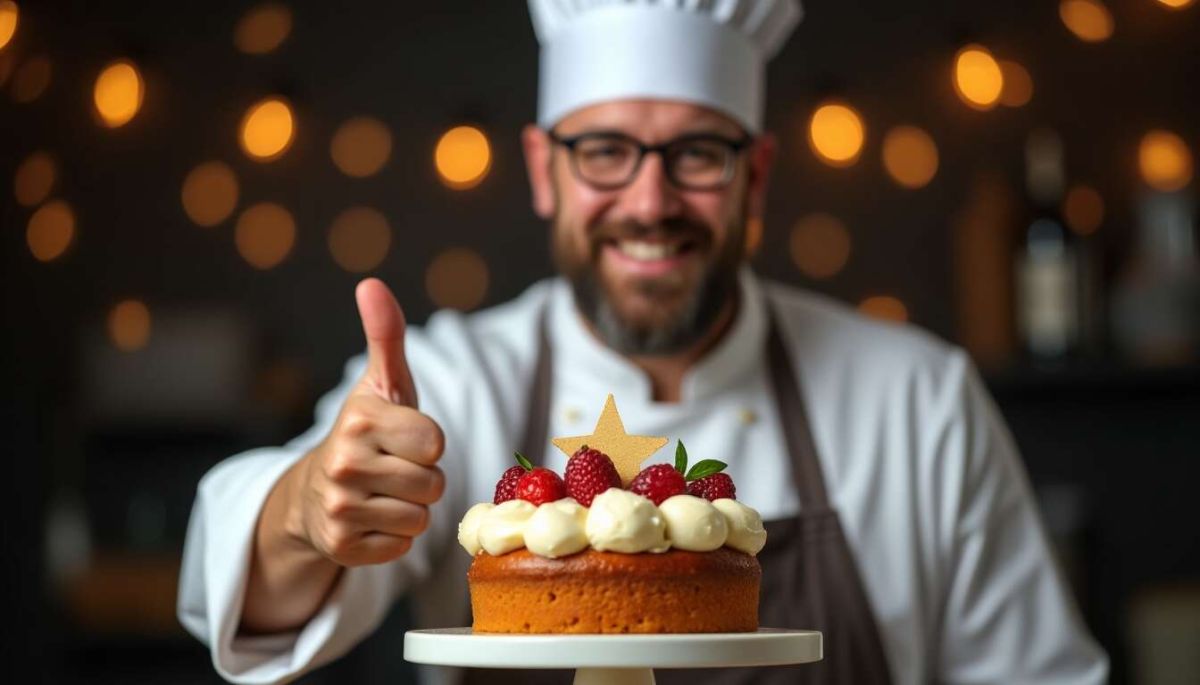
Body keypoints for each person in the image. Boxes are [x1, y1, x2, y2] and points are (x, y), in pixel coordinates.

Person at [178, 1, 1109, 683]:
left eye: (698, 152)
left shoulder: (919, 399)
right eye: (605, 151)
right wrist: (305, 508)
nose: (651, 202)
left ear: (759, 175)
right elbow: (241, 589)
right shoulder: (453, 382)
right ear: (545, 170)